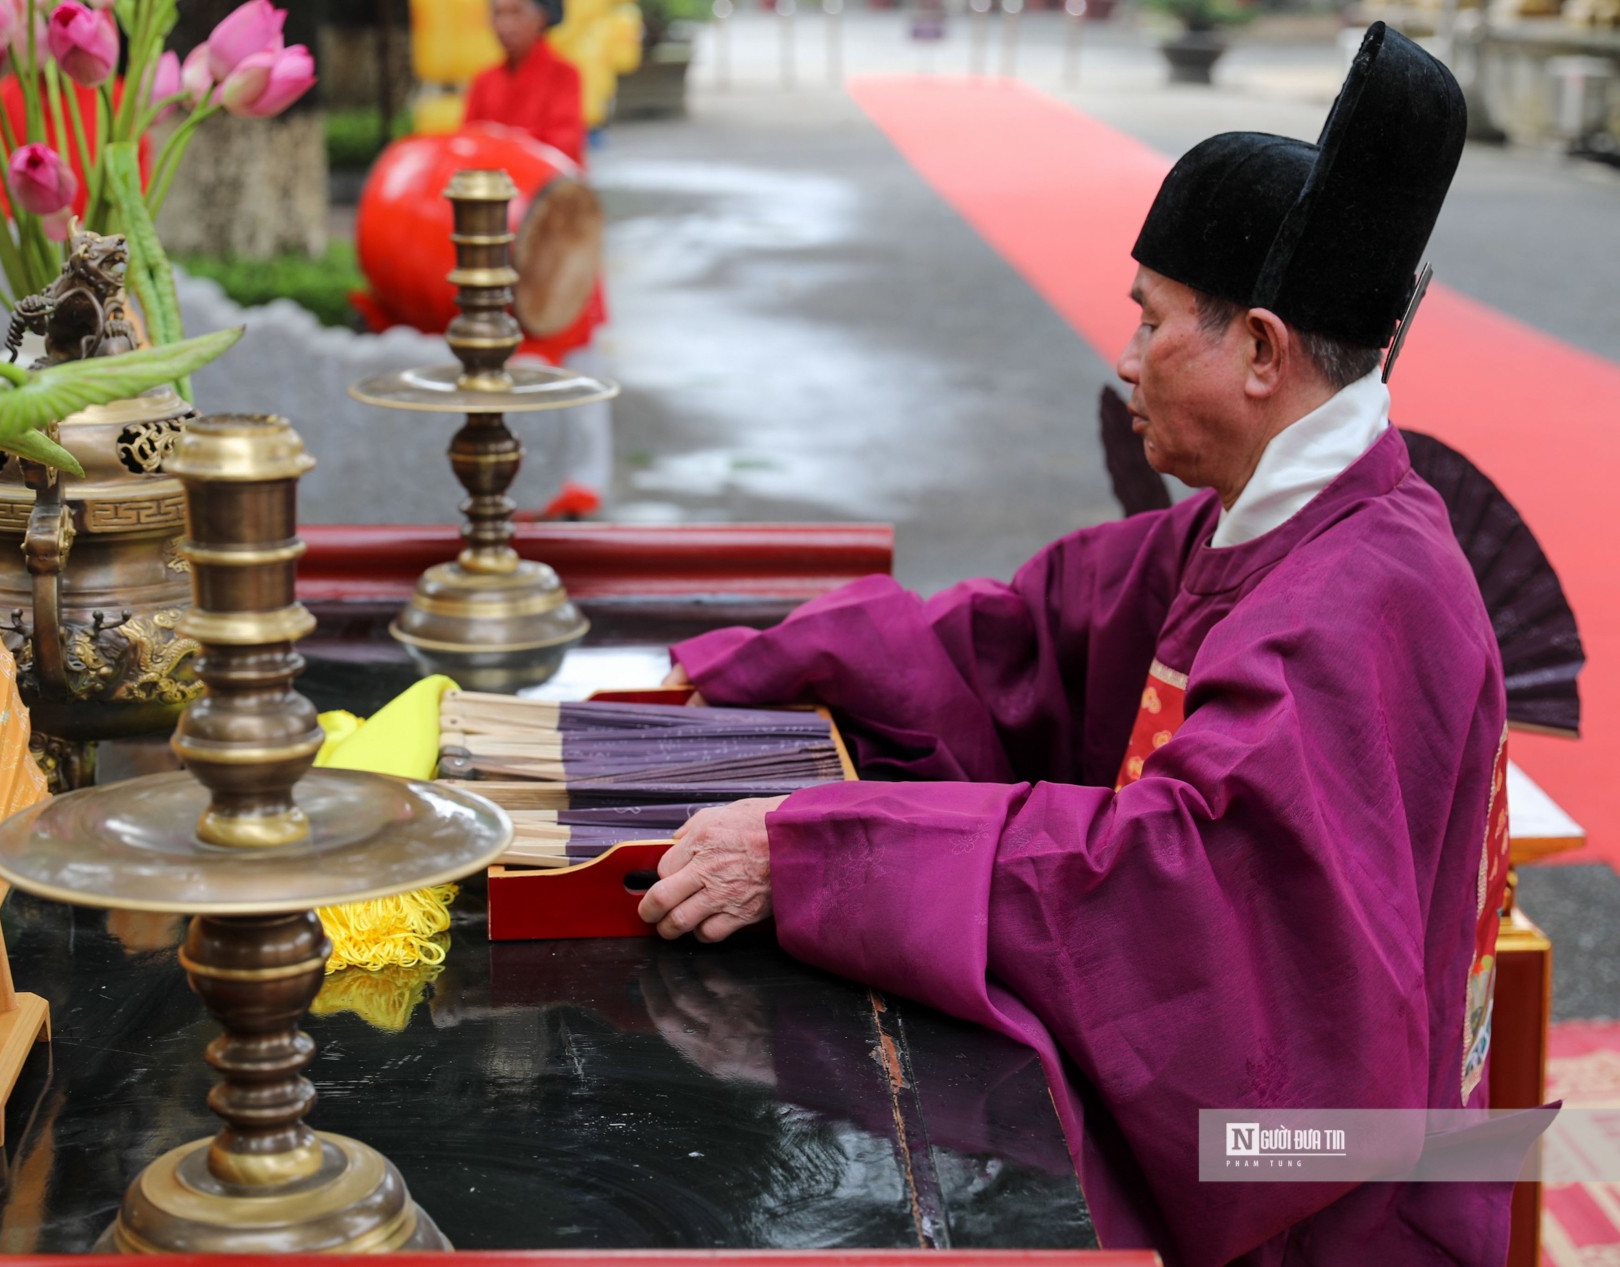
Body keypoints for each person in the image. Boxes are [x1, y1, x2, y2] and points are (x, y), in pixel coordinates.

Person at [640, 24, 1515, 1267]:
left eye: (1149, 320)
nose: (1123, 362)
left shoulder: (1360, 599)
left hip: (1338, 1174)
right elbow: (1020, 637)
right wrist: (734, 674)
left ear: (1261, 350)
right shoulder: (1269, 520)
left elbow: (1178, 902)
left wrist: (821, 862)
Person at [464, 0, 585, 165]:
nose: (504, 25)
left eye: (516, 13)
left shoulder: (564, 75)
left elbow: (565, 145)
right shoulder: (484, 80)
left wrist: (500, 144)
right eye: (498, 14)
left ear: (541, 18)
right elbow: (467, 142)